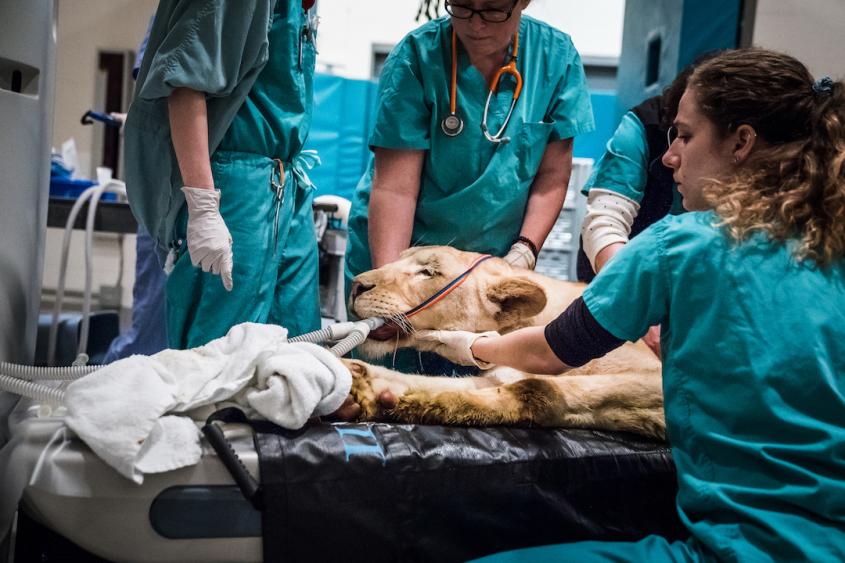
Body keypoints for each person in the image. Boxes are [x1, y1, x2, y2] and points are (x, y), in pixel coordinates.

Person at [414, 49, 845, 561]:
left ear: (741, 142)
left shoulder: (683, 244)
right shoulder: (831, 249)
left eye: (685, 135)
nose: (669, 157)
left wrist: (473, 345)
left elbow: (551, 352)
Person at [344, 0, 595, 373]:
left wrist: (524, 252)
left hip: (484, 275)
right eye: (461, 6)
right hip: (402, 258)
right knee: (384, 390)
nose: (476, 25)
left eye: (493, 10)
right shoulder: (418, 57)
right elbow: (395, 189)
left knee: (476, 391)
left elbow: (551, 180)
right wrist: (389, 292)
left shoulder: (556, 59)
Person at [123, 0, 321, 349]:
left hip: (285, 181)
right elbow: (185, 83)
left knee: (299, 351)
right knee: (216, 359)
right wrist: (203, 206)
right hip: (231, 186)